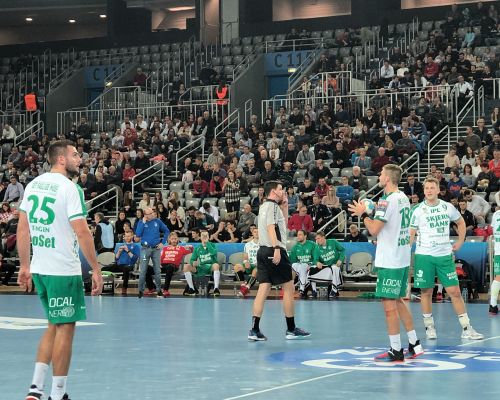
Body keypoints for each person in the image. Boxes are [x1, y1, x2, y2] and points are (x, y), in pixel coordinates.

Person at [17, 140, 103, 400]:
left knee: (53, 326)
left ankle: (35, 388)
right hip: (62, 270)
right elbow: (82, 231)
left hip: (41, 269)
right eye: (75, 155)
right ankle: (58, 394)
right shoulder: (70, 188)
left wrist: (24, 265)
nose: (80, 159)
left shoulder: (33, 184)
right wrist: (96, 268)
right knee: (65, 328)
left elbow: (23, 228)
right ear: (61, 159)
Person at [348, 164, 423, 362]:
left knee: (389, 306)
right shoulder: (403, 197)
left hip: (390, 259)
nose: (379, 176)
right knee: (398, 301)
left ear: (388, 178)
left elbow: (374, 230)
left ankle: (395, 350)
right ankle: (414, 343)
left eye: (381, 173)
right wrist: (373, 209)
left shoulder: (386, 201)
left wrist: (363, 214)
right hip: (402, 257)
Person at [410, 177, 483, 340]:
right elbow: (411, 234)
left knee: (454, 291)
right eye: (426, 188)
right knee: (426, 292)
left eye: (432, 188)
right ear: (424, 191)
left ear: (438, 190)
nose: (429, 190)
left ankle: (466, 328)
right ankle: (429, 327)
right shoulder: (417, 210)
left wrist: (460, 240)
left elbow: (461, 223)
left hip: (444, 256)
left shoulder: (447, 207)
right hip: (424, 256)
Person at [248, 181, 310, 341]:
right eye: (280, 189)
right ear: (273, 192)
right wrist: (276, 248)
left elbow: (283, 227)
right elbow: (272, 228)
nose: (283, 191)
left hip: (262, 251)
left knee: (263, 288)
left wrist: (285, 207)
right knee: (289, 287)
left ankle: (254, 330)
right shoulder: (273, 207)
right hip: (274, 249)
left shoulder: (264, 206)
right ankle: (291, 329)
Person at [135, 207, 170, 298]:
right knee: (143, 270)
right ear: (145, 215)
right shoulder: (141, 222)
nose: (152, 214)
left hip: (156, 249)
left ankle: (159, 290)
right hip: (144, 249)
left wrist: (163, 243)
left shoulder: (157, 221)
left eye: (152, 212)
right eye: (150, 213)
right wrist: (143, 223)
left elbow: (167, 231)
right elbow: (138, 234)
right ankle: (140, 290)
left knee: (157, 270)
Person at [183, 230, 221, 296]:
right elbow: (192, 259)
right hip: (201, 267)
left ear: (208, 237)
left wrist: (207, 243)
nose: (204, 237)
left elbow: (213, 253)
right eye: (203, 235)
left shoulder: (213, 245)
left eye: (206, 235)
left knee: (216, 265)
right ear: (200, 237)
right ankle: (192, 289)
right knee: (186, 266)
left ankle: (216, 289)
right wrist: (193, 262)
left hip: (210, 267)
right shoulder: (197, 248)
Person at [311, 231, 345, 299]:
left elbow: (343, 250)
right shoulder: (317, 248)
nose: (317, 241)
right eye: (316, 239)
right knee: (311, 269)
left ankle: (334, 290)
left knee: (334, 267)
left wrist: (340, 259)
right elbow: (315, 260)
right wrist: (317, 263)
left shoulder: (333, 242)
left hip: (336, 264)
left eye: (318, 238)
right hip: (326, 267)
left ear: (323, 237)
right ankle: (314, 291)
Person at [159, 232, 193, 297]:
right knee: (148, 268)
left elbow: (191, 251)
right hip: (163, 266)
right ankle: (151, 288)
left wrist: (190, 247)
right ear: (169, 240)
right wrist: (158, 264)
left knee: (169, 267)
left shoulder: (181, 248)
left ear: (177, 239)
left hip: (173, 266)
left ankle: (165, 290)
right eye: (172, 239)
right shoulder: (165, 248)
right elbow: (161, 258)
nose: (174, 240)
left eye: (175, 239)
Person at [289, 229, 319, 299]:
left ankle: (301, 290)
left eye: (300, 235)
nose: (298, 236)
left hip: (310, 265)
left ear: (305, 236)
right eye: (297, 235)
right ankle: (292, 287)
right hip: (301, 266)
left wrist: (312, 265)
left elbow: (316, 258)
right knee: (294, 265)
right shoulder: (295, 247)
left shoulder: (312, 245)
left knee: (303, 266)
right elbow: (292, 260)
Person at [234, 225, 260, 297]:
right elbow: (245, 256)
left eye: (258, 232)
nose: (257, 233)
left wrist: (259, 263)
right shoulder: (248, 245)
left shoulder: (264, 244)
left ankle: (247, 288)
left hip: (259, 265)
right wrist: (245, 262)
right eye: (255, 232)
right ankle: (243, 286)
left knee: (256, 270)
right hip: (249, 264)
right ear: (252, 233)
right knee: (237, 267)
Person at [489, 208, 500, 314]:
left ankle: (493, 305)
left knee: (498, 277)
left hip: (498, 250)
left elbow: (492, 230)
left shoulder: (496, 214)